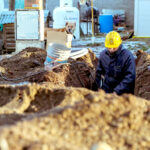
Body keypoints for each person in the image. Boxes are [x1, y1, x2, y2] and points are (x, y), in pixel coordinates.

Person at [92, 31, 136, 95]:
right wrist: (97, 88)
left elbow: (130, 77)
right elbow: (99, 73)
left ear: (119, 44)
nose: (111, 49)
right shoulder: (103, 55)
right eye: (109, 47)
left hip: (124, 94)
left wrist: (117, 91)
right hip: (107, 91)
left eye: (114, 47)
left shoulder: (127, 56)